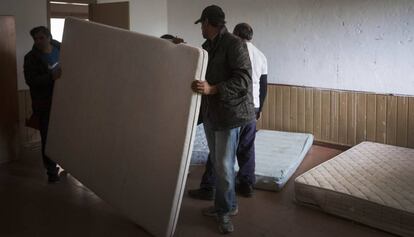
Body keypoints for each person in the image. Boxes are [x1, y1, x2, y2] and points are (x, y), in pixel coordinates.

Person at [191, 5, 255, 234]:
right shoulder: (207, 47)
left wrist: (213, 89)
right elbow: (203, 77)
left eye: (202, 24)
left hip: (230, 115)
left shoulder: (234, 44)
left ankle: (225, 212)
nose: (201, 29)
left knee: (225, 166)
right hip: (212, 114)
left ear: (209, 22)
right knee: (219, 165)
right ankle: (225, 205)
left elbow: (243, 81)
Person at [188, 23, 268, 199]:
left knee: (220, 152)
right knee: (246, 148)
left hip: (233, 106)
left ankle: (209, 186)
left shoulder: (232, 49)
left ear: (235, 33)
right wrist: (259, 108)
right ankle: (246, 184)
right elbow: (263, 86)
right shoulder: (261, 56)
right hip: (251, 106)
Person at [24, 26, 61, 183]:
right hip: (45, 103)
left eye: (41, 38)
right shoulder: (31, 57)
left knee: (65, 134)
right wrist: (51, 77)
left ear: (49, 37)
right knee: (48, 137)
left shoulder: (61, 48)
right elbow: (31, 81)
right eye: (35, 39)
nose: (38, 41)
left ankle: (67, 162)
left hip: (65, 100)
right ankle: (51, 172)